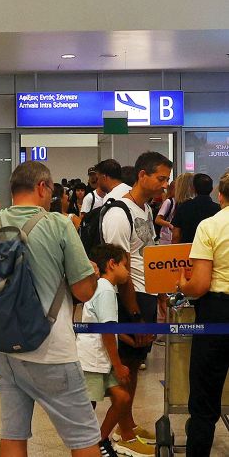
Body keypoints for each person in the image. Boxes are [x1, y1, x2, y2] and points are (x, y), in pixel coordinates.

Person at [0, 161, 99, 457]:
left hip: (2, 346)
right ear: (42, 187)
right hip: (50, 347)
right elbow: (84, 291)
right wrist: (92, 273)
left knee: (13, 433)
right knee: (83, 436)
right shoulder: (58, 224)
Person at [101, 151, 172, 447]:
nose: (164, 185)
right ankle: (123, 433)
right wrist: (134, 314)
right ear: (142, 175)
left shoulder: (145, 210)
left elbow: (147, 255)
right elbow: (120, 269)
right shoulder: (120, 213)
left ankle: (127, 423)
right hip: (129, 299)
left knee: (135, 363)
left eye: (167, 180)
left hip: (145, 293)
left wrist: (161, 291)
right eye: (160, 179)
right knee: (126, 367)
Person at [78, 244, 150, 457]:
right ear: (112, 264)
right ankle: (90, 444)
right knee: (88, 408)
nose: (127, 271)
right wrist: (118, 365)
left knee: (121, 399)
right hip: (93, 360)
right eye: (125, 265)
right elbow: (107, 331)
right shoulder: (106, 290)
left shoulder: (101, 287)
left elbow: (107, 326)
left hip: (99, 359)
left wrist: (131, 341)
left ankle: (99, 440)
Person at [179, 168, 229, 456]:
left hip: (217, 312)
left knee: (205, 397)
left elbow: (199, 285)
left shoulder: (210, 226)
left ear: (220, 195)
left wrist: (182, 284)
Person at [173, 173, 221, 245]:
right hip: (210, 249)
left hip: (187, 249)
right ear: (211, 189)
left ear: (193, 188)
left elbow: (176, 235)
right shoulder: (218, 209)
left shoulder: (184, 207)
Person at [156, 173, 193, 245]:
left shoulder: (183, 202)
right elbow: (158, 219)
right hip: (167, 237)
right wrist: (171, 225)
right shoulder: (169, 202)